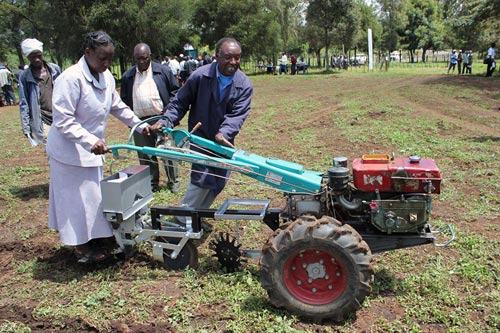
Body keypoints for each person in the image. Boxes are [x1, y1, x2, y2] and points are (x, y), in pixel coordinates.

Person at [46, 31, 155, 262]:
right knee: (75, 200)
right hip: (69, 151)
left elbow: (117, 106)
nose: (106, 64)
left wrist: (138, 124)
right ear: (87, 53)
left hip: (91, 150)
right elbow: (63, 120)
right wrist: (89, 141)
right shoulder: (71, 78)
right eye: (102, 58)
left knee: (93, 197)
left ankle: (98, 236)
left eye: (110, 59)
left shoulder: (105, 77)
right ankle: (81, 245)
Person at [154, 37, 253, 222]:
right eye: (228, 57)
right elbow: (179, 103)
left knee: (218, 180)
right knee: (201, 178)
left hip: (223, 141)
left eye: (237, 58)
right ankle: (182, 221)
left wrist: (224, 133)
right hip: (200, 137)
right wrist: (166, 121)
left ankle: (196, 217)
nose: (233, 62)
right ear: (216, 56)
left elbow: (237, 116)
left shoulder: (244, 85)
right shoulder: (200, 76)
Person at [120, 43, 181, 193]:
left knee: (167, 152)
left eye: (144, 58)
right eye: (138, 59)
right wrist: (133, 121)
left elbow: (176, 93)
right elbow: (124, 100)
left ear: (150, 57)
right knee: (145, 154)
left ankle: (174, 182)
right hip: (140, 122)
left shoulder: (163, 71)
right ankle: (151, 183)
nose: (141, 62)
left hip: (161, 119)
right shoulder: (128, 76)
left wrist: (167, 115)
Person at [18, 38, 62, 145]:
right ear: (28, 57)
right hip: (43, 119)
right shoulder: (25, 77)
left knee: (66, 147)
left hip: (60, 115)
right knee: (52, 146)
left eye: (39, 55)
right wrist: (26, 128)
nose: (37, 59)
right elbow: (24, 103)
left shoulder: (55, 70)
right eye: (33, 57)